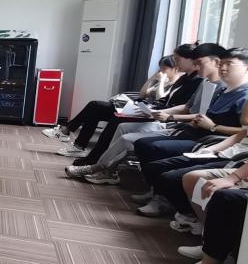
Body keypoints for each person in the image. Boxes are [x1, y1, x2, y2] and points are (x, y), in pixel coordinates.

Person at [68, 42, 223, 183]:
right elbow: (185, 106)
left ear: (215, 62)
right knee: (112, 118)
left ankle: (97, 166)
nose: (176, 63)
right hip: (165, 116)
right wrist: (159, 110)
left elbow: (198, 114)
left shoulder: (208, 84)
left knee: (118, 124)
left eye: (198, 62)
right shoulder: (201, 82)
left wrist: (168, 115)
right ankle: (99, 163)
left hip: (175, 124)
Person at [132, 47, 248, 217]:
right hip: (205, 137)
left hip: (214, 139)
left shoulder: (247, 95)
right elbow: (240, 130)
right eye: (222, 63)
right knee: (147, 149)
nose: (223, 68)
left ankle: (173, 205)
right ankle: (160, 194)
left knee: (161, 162)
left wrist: (212, 127)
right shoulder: (220, 89)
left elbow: (244, 128)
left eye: (229, 64)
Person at [47, 54, 186, 159]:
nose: (161, 71)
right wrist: (151, 79)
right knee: (94, 108)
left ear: (175, 69)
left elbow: (161, 99)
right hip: (139, 108)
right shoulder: (162, 81)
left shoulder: (175, 85)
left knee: (96, 107)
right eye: (160, 68)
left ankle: (70, 133)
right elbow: (143, 94)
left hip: (150, 115)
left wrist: (161, 82)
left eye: (164, 69)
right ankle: (77, 144)